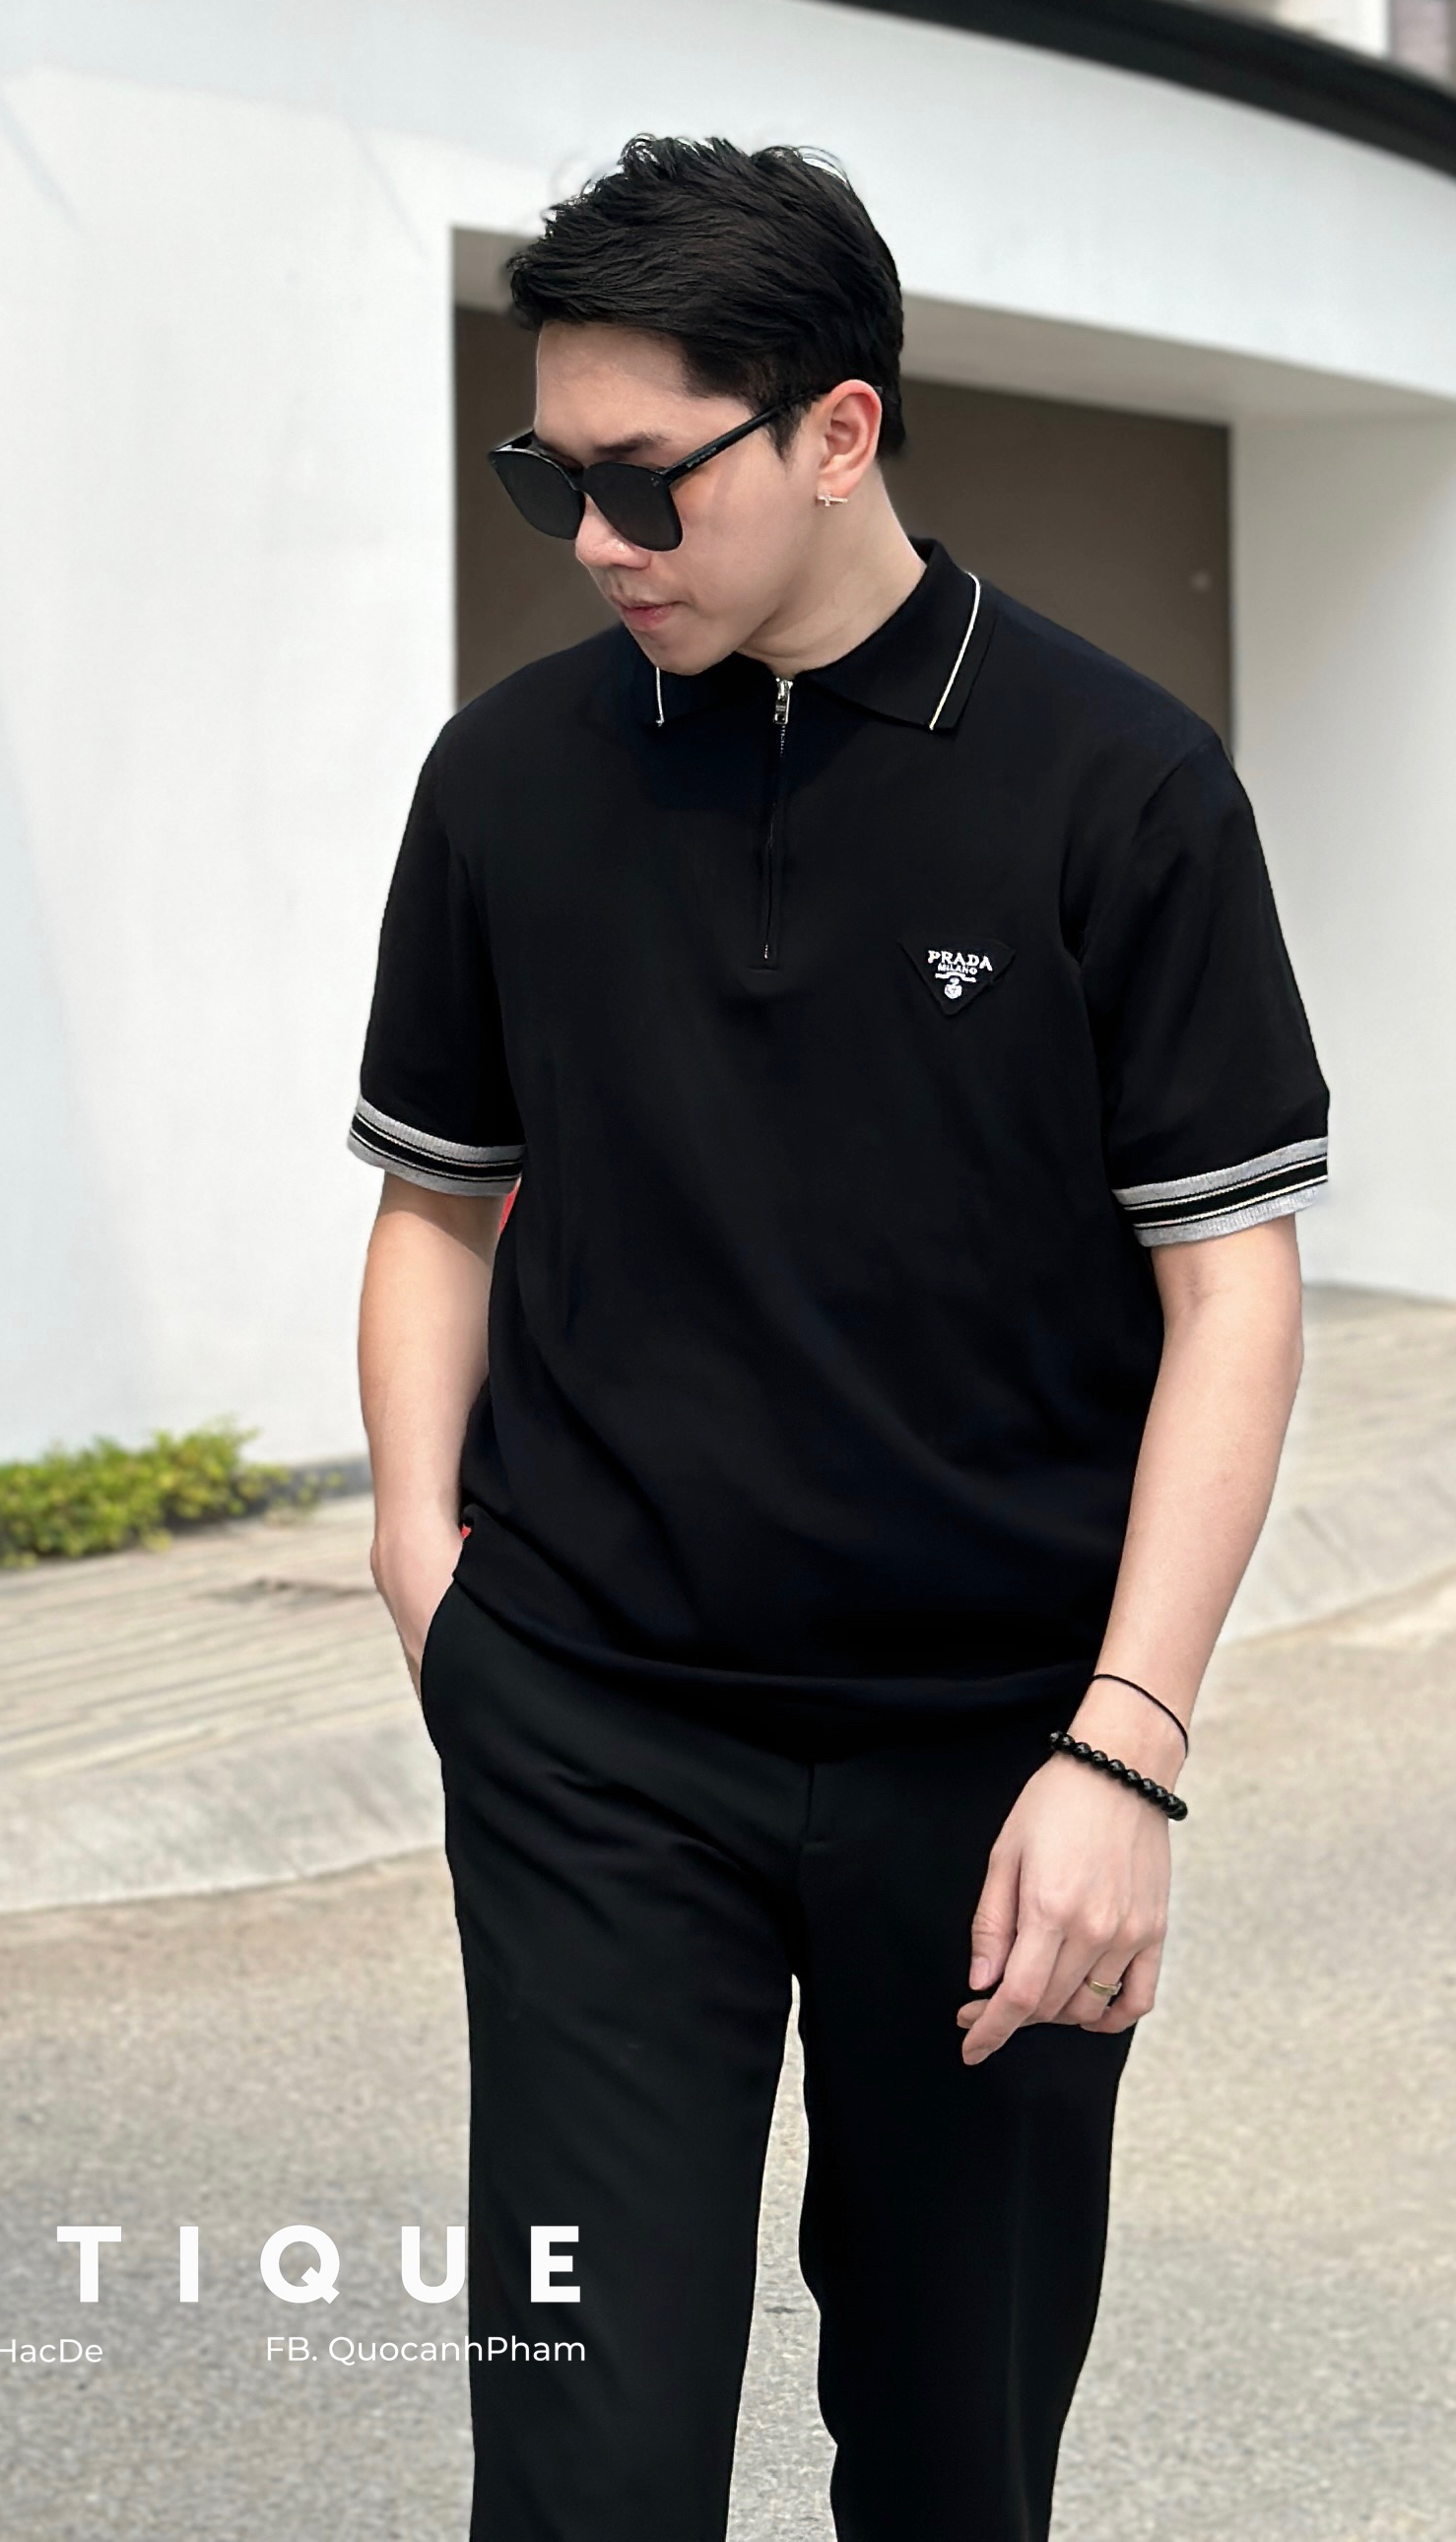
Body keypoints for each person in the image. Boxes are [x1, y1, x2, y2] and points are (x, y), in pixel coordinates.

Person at [351, 137, 1319, 2542]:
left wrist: (1127, 1753)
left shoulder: (1119, 787)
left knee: (952, 2467)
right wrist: (425, 1570)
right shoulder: (507, 782)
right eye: (551, 480)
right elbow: (435, 1208)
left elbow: (1231, 1289)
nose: (597, 543)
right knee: (578, 2470)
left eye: (647, 482)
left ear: (840, 431)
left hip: (999, 1766)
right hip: (591, 1737)